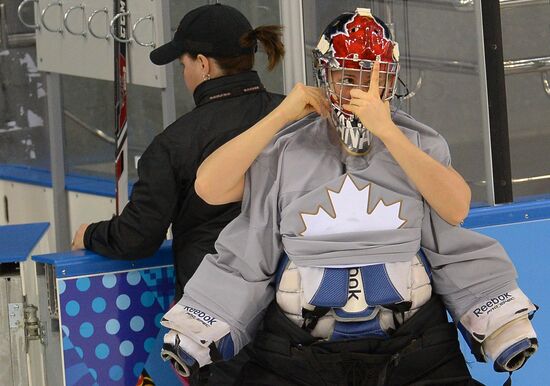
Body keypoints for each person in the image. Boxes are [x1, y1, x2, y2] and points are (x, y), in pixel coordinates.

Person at [161, 8, 538, 386]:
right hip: (298, 352)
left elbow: (455, 217)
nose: (360, 92)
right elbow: (215, 197)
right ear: (325, 76)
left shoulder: (419, 142)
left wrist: (389, 132)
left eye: (372, 79)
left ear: (390, 80)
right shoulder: (286, 148)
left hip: (415, 347)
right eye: (347, 78)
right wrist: (281, 116)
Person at [70, 3, 284, 384]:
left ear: (202, 64)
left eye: (183, 65)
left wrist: (88, 233)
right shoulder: (291, 117)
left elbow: (137, 237)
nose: (184, 74)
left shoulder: (174, 144)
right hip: (294, 320)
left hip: (218, 324)